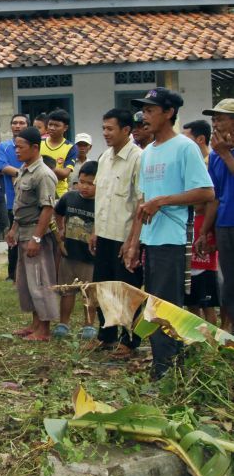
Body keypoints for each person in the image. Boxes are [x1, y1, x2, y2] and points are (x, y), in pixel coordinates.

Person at [123, 88, 214, 380]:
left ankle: (167, 371)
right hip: (151, 239)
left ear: (169, 113)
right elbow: (142, 201)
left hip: (173, 238)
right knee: (155, 304)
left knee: (165, 306)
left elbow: (206, 192)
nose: (144, 116)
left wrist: (162, 201)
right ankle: (168, 365)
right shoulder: (148, 152)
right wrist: (134, 242)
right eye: (144, 110)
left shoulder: (185, 148)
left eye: (151, 110)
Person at [90, 109, 144, 356]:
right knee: (104, 287)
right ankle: (107, 335)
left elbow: (140, 204)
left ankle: (130, 340)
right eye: (103, 128)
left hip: (125, 237)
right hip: (104, 234)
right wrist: (94, 231)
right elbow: (101, 198)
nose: (105, 133)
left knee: (128, 290)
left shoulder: (138, 158)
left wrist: (133, 240)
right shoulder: (104, 158)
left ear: (126, 130)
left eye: (110, 129)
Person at [7, 127, 60, 341]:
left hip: (35, 233)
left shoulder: (44, 174)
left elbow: (47, 209)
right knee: (26, 282)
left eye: (21, 147)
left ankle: (44, 330)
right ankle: (35, 324)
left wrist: (36, 239)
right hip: (22, 231)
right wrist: (13, 229)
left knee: (39, 280)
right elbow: (20, 205)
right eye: (15, 147)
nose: (17, 151)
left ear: (35, 147)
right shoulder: (24, 169)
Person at [53, 160, 98, 340]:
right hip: (69, 254)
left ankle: (88, 325)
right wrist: (60, 231)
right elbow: (58, 213)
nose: (84, 187)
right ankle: (64, 323)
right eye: (81, 182)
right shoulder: (69, 198)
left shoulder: (102, 203)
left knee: (89, 293)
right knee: (67, 291)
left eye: (90, 184)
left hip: (90, 257)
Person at [199, 98, 234, 332]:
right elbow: (215, 197)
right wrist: (205, 232)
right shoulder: (216, 157)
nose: (216, 124)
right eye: (214, 119)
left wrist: (225, 154)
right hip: (224, 225)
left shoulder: (222, 154)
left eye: (220, 119)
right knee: (229, 284)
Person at [182, 120, 219, 325]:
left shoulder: (209, 162)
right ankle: (195, 336)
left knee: (207, 293)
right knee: (191, 291)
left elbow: (209, 199)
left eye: (185, 138)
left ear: (200, 139)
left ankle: (215, 336)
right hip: (191, 225)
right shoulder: (190, 163)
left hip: (206, 226)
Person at [0, 114, 29, 281]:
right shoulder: (4, 146)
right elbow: (3, 167)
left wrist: (18, 175)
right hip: (12, 200)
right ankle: (12, 273)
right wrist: (26, 174)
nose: (18, 126)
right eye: (15, 123)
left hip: (31, 200)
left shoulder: (33, 146)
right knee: (13, 237)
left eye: (21, 123)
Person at [41, 109, 77, 198]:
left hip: (60, 194)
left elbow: (64, 174)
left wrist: (43, 165)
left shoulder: (70, 147)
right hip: (40, 191)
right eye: (50, 124)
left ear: (65, 128)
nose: (52, 128)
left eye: (56, 125)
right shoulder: (39, 142)